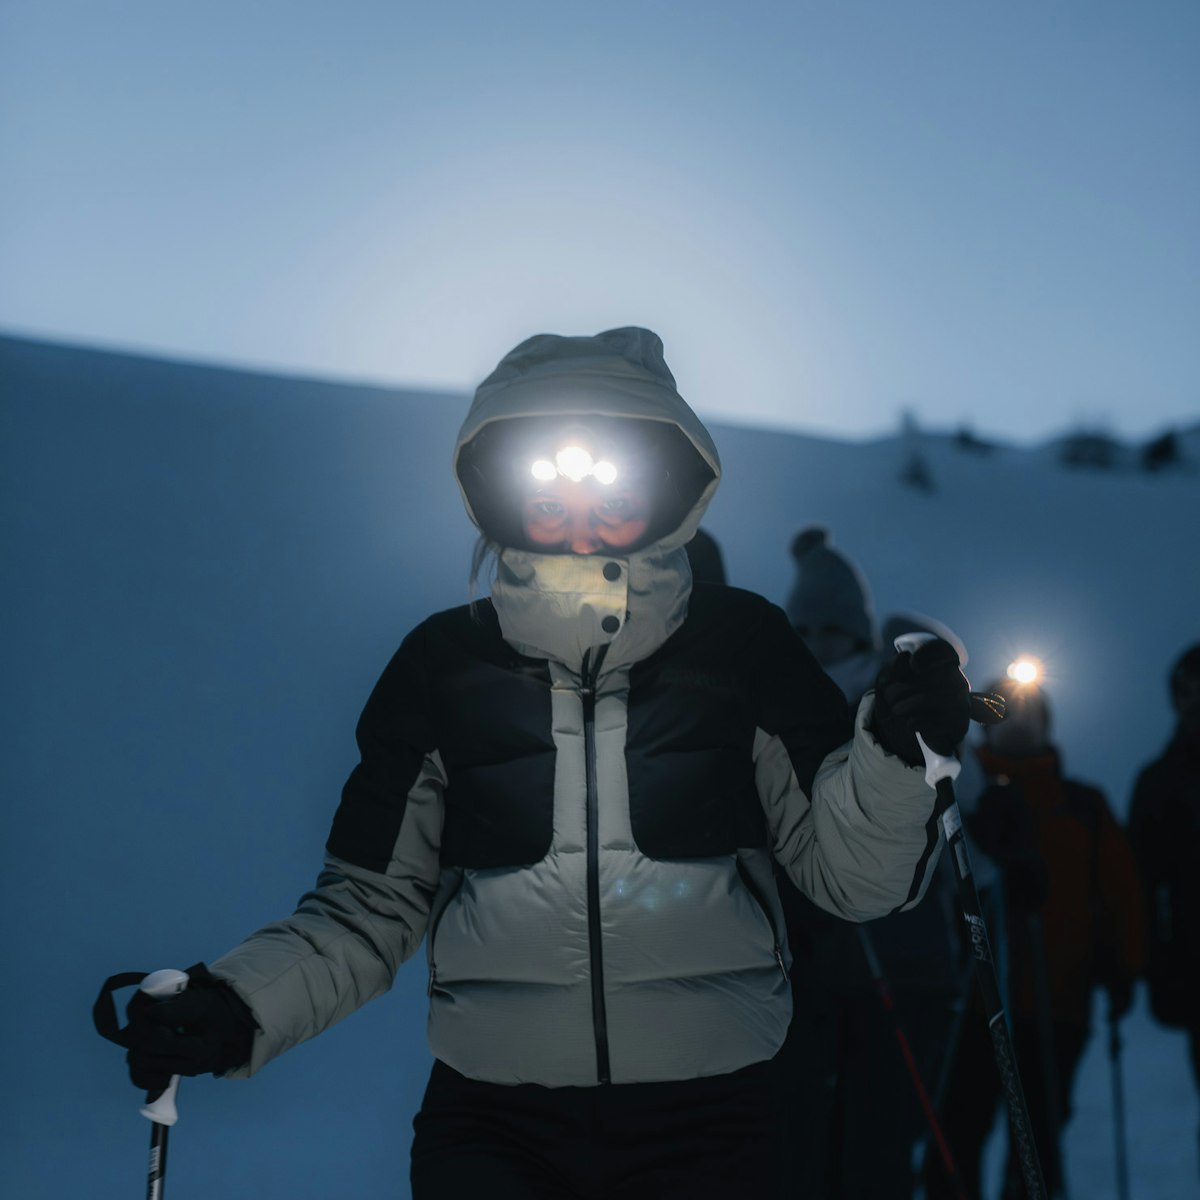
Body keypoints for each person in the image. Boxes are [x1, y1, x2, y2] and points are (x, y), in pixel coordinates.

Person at [95, 327, 979, 1200]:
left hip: (714, 1119)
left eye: (614, 486)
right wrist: (236, 1005)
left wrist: (898, 760)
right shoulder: (443, 665)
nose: (580, 521)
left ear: (671, 487)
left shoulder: (742, 645)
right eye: (547, 490)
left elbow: (853, 880)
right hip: (495, 1126)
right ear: (500, 496)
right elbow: (369, 906)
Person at [778, 526, 968, 1200]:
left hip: (900, 962)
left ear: (859, 633)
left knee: (875, 1149)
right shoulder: (778, 710)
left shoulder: (890, 704)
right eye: (803, 627)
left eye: (831, 627)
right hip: (809, 971)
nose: (817, 641)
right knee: (803, 1148)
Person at [928, 672, 1145, 1200]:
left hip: (1058, 1002)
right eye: (1004, 713)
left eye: (1029, 712)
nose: (1018, 724)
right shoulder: (961, 798)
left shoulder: (1082, 805)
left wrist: (1124, 965)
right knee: (956, 1136)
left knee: (1038, 1146)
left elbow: (1122, 891)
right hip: (976, 1000)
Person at [1127, 642, 1200, 1171]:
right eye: (1188, 691)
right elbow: (1144, 886)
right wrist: (1158, 965)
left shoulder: (1161, 779)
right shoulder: (1161, 782)